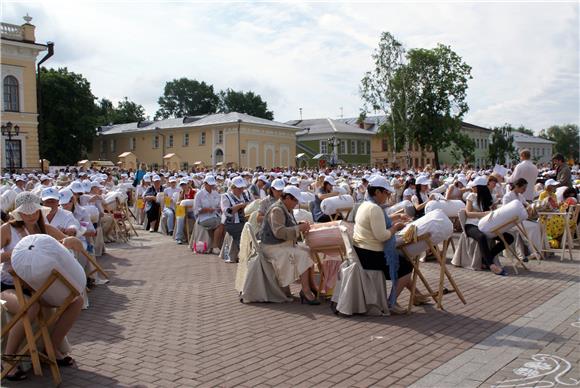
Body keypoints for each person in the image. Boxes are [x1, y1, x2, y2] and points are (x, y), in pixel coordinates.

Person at [1, 193, 85, 380]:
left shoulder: (45, 230)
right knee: (31, 307)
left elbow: (78, 246)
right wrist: (11, 255)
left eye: (34, 211)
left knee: (76, 301)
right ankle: (8, 359)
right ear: (18, 213)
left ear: (40, 211)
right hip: (8, 285)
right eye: (25, 212)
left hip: (39, 286)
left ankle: (51, 348)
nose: (30, 216)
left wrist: (71, 241)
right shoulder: (7, 230)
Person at [352, 176, 429, 314]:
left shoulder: (365, 204)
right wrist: (396, 227)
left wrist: (396, 218)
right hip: (370, 255)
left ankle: (416, 295)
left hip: (363, 251)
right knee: (406, 266)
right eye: (386, 193)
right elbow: (382, 235)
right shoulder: (374, 208)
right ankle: (391, 302)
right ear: (377, 192)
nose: (388, 196)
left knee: (403, 263)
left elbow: (378, 222)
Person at [260, 186, 318, 305]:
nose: (296, 204)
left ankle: (310, 286)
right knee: (302, 255)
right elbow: (279, 232)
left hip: (281, 244)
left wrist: (299, 226)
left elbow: (287, 227)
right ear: (287, 198)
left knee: (308, 251)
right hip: (272, 247)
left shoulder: (285, 208)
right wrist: (298, 228)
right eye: (295, 201)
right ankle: (306, 292)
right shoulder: (277, 209)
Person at [464, 176, 513, 275]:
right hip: (471, 225)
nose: (472, 188)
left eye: (475, 186)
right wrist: (482, 214)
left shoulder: (488, 197)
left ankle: (486, 258)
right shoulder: (471, 196)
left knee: (509, 237)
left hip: (484, 225)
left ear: (479, 188)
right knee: (481, 237)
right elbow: (468, 213)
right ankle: (491, 264)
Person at [221, 176, 252, 263]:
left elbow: (253, 204)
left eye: (242, 188)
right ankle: (244, 256)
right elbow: (228, 212)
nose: (241, 190)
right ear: (233, 187)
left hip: (246, 221)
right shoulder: (225, 196)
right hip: (233, 223)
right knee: (240, 234)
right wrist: (240, 206)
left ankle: (248, 255)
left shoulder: (246, 194)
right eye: (239, 188)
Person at [193, 176, 224, 254]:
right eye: (210, 185)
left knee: (224, 223)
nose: (211, 186)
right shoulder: (199, 194)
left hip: (215, 215)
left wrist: (220, 208)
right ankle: (215, 246)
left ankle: (219, 246)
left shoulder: (215, 193)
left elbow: (219, 204)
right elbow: (196, 210)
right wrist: (206, 210)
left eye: (212, 185)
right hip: (204, 218)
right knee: (220, 224)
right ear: (205, 184)